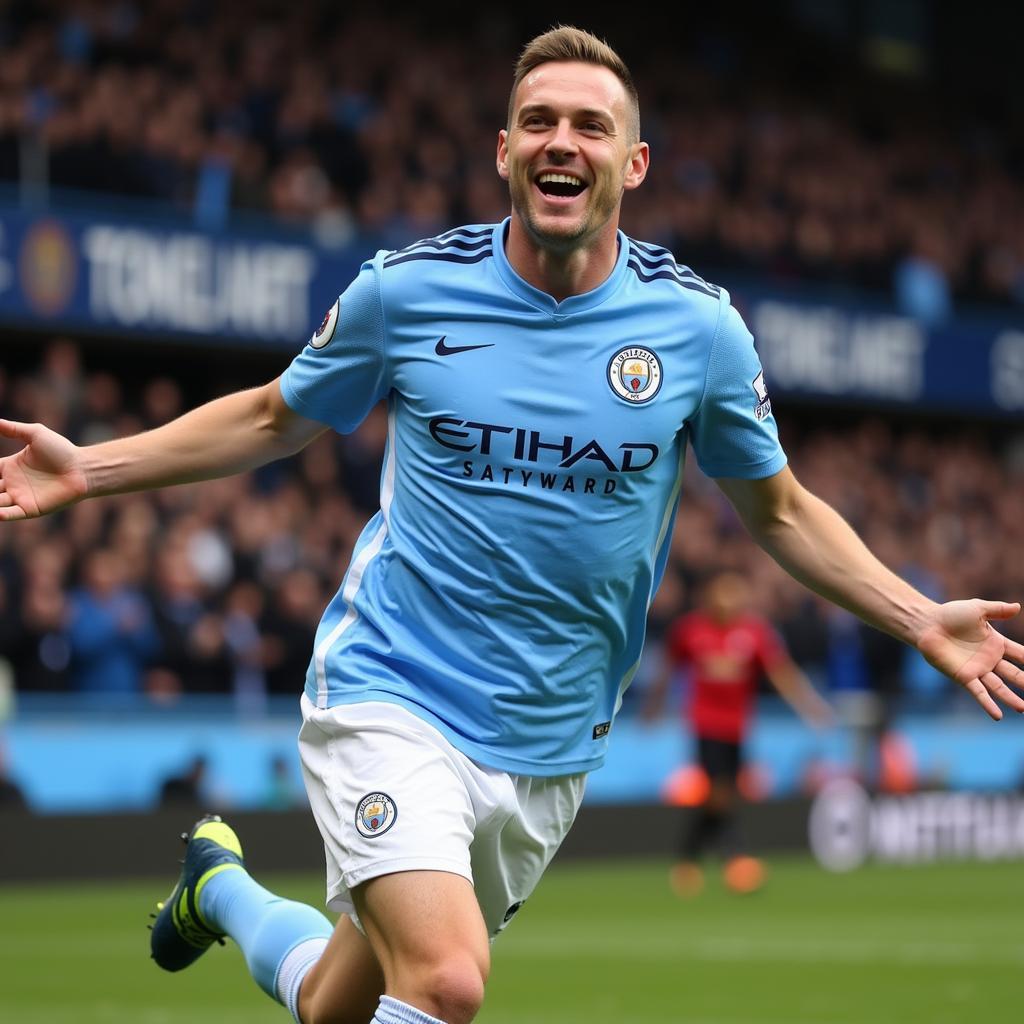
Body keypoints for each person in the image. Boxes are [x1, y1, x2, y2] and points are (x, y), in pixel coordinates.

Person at [0, 25, 1022, 1024]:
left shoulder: (697, 329)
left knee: (334, 1001)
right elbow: (274, 415)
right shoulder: (407, 291)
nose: (560, 141)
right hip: (392, 688)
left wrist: (917, 616)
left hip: (547, 745)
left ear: (634, 161)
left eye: (588, 124)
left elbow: (782, 510)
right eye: (536, 121)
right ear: (504, 151)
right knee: (447, 980)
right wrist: (91, 465)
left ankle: (217, 887)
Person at [643, 570, 832, 895]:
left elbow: (780, 672)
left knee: (725, 793)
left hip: (738, 726)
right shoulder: (691, 630)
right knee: (718, 791)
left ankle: (687, 862)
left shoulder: (754, 632)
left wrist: (809, 705)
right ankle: (737, 858)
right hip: (705, 724)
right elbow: (667, 669)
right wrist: (655, 706)